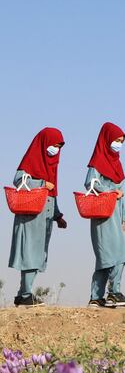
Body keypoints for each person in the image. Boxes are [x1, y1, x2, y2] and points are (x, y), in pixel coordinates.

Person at [8, 128, 67, 307]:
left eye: (58, 147)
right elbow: (18, 180)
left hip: (45, 218)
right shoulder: (31, 161)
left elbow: (52, 194)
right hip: (31, 217)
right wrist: (41, 183)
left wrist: (58, 216)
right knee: (30, 254)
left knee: (38, 255)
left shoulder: (52, 168)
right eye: (53, 146)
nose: (55, 150)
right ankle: (26, 295)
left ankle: (22, 295)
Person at [84, 122, 125, 308]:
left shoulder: (117, 165)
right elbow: (90, 184)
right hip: (102, 215)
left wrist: (124, 218)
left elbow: (123, 195)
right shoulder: (97, 163)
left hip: (116, 216)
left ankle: (96, 297)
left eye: (121, 141)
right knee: (116, 254)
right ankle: (114, 293)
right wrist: (112, 191)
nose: (118, 144)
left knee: (111, 256)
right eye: (116, 140)